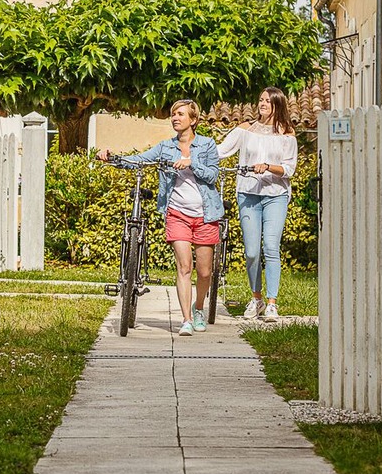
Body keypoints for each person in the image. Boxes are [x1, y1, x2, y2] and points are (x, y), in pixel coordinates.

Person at [97, 99, 223, 336]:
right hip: (177, 213)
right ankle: (186, 320)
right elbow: (140, 160)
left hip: (206, 215)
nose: (175, 118)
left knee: (205, 272)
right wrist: (113, 158)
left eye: (181, 114)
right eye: (173, 114)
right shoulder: (165, 147)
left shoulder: (206, 145)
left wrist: (191, 163)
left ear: (193, 120)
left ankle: (198, 308)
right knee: (184, 267)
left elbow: (213, 175)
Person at [217, 87, 299, 321]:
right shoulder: (245, 130)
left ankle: (272, 302)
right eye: (260, 99)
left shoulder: (287, 134)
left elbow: (289, 169)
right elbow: (221, 151)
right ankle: (257, 299)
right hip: (248, 194)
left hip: (276, 195)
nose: (262, 104)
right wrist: (190, 153)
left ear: (277, 104)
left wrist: (267, 166)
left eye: (267, 101)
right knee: (252, 251)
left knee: (271, 247)